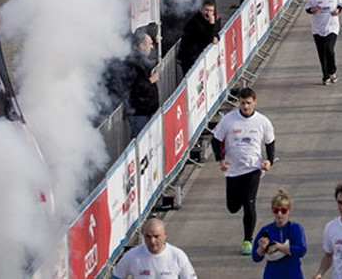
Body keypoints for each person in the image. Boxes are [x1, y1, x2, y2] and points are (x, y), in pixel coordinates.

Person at [211, 87, 277, 254]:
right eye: (242, 103)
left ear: (255, 102)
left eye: (248, 103)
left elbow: (270, 142)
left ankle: (248, 240)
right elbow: (215, 140)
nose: (245, 107)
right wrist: (220, 160)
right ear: (238, 102)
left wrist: (269, 161)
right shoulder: (228, 120)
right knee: (233, 207)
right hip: (233, 170)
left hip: (253, 169)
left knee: (249, 203)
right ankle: (241, 196)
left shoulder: (263, 122)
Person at [112, 218, 197, 279]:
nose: (152, 241)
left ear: (165, 235)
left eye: (156, 236)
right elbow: (117, 275)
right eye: (148, 236)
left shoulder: (177, 256)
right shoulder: (132, 256)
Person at [253, 189, 308, 279]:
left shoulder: (295, 228)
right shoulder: (266, 230)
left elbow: (301, 250)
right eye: (275, 210)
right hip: (272, 275)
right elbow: (255, 257)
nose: (279, 214)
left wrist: (279, 247)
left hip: (293, 275)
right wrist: (261, 248)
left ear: (289, 210)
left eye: (283, 210)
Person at [305, 0, 342, 85]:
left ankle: (332, 70)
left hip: (332, 27)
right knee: (322, 52)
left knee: (329, 49)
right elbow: (308, 8)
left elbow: (341, 5)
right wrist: (313, 10)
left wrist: (337, 11)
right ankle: (325, 75)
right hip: (318, 28)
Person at [127, 31, 161, 138]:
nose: (152, 47)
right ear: (141, 46)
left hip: (147, 110)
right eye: (150, 44)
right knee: (140, 139)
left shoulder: (143, 60)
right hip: (139, 112)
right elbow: (136, 87)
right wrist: (151, 80)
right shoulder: (134, 63)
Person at [178, 0, 219, 77]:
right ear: (201, 10)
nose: (208, 13)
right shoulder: (196, 22)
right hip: (190, 57)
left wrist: (216, 37)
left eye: (211, 11)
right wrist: (211, 24)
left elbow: (216, 34)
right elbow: (208, 37)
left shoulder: (209, 21)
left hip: (198, 55)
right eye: (206, 10)